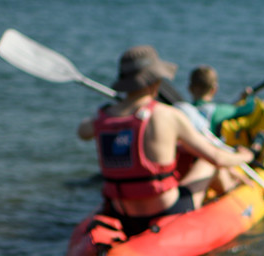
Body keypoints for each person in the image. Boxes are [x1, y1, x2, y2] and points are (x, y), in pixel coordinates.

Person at [76, 46, 253, 228]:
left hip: (121, 210)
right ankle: (232, 195)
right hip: (165, 209)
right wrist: (245, 156)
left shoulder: (103, 118)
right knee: (207, 163)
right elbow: (217, 158)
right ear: (156, 81)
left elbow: (82, 131)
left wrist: (118, 109)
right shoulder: (168, 115)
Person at [187, 64, 256, 134]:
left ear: (190, 88)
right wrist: (250, 96)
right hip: (207, 143)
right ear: (214, 89)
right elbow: (248, 109)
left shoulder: (186, 109)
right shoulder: (217, 111)